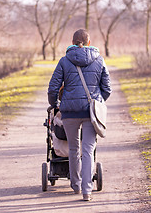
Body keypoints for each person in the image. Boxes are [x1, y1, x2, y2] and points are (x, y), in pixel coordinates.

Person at [48, 29, 112, 201]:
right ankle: (87, 191)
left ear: (72, 42)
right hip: (90, 112)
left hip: (69, 112)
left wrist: (55, 104)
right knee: (88, 150)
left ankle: (75, 186)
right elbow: (107, 88)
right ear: (89, 42)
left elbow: (53, 87)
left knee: (73, 148)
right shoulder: (99, 60)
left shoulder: (64, 61)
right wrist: (97, 104)